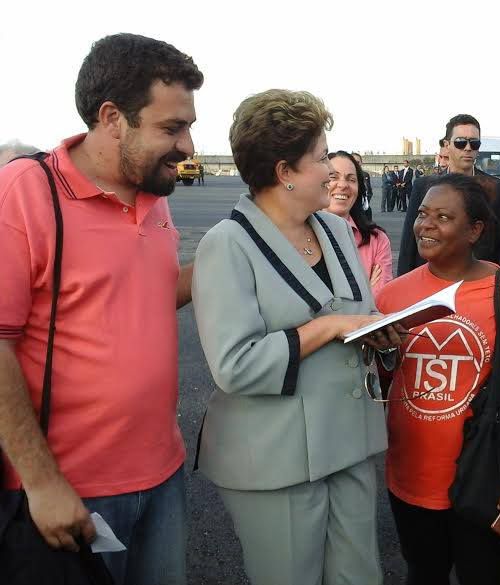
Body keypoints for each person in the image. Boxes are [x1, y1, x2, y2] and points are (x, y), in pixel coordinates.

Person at [0, 33, 203, 584]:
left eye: (188, 126)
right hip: (72, 490)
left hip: (163, 474)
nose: (187, 146)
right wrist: (41, 482)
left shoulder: (154, 198)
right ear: (112, 117)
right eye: (171, 128)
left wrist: (225, 263)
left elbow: (144, 300)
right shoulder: (26, 191)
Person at [191, 89, 402, 585]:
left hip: (348, 441)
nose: (331, 169)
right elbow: (234, 364)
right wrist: (328, 327)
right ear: (285, 171)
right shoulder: (227, 244)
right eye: (321, 157)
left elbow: (358, 312)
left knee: (361, 577)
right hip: (274, 459)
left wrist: (377, 330)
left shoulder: (334, 229)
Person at [376, 173, 500, 585]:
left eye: (443, 217)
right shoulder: (391, 297)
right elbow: (385, 379)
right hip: (409, 477)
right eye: (423, 215)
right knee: (422, 573)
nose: (426, 226)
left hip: (484, 478)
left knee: (483, 576)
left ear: (475, 229)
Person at [397, 114, 500, 276]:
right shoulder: (424, 186)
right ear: (446, 145)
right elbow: (409, 244)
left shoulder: (494, 187)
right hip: (430, 277)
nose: (468, 148)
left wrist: (499, 282)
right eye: (460, 142)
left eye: (474, 143)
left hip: (479, 280)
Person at [326, 151, 393, 292]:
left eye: (351, 179)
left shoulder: (377, 240)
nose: (343, 185)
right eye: (333, 177)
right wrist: (364, 294)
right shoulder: (298, 234)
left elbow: (380, 300)